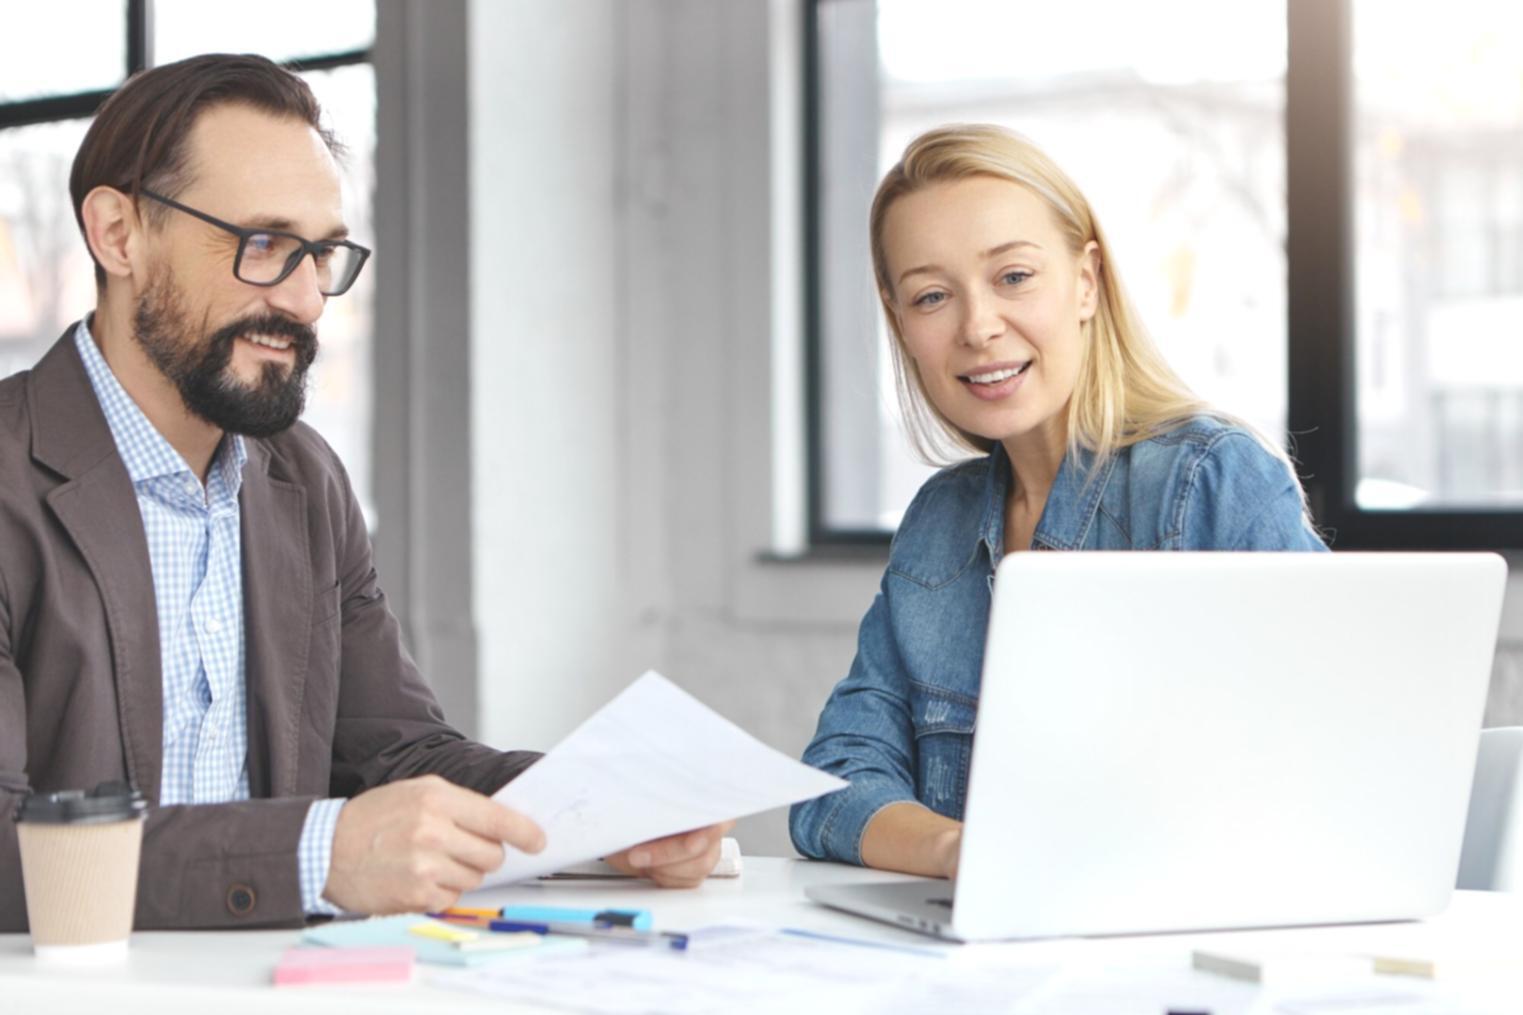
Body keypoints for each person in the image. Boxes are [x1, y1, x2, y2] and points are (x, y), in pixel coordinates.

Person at [0, 53, 727, 932]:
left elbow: (395, 754)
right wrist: (317, 853)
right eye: (264, 245)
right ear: (118, 234)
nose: (308, 301)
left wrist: (591, 809)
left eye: (323, 253)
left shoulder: (302, 478)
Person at [788, 124, 1327, 879]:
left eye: (1012, 276)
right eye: (932, 295)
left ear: (1085, 282)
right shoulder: (937, 525)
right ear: (901, 321)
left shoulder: (1206, 479)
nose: (977, 327)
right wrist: (956, 850)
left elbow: (1329, 770)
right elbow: (831, 784)